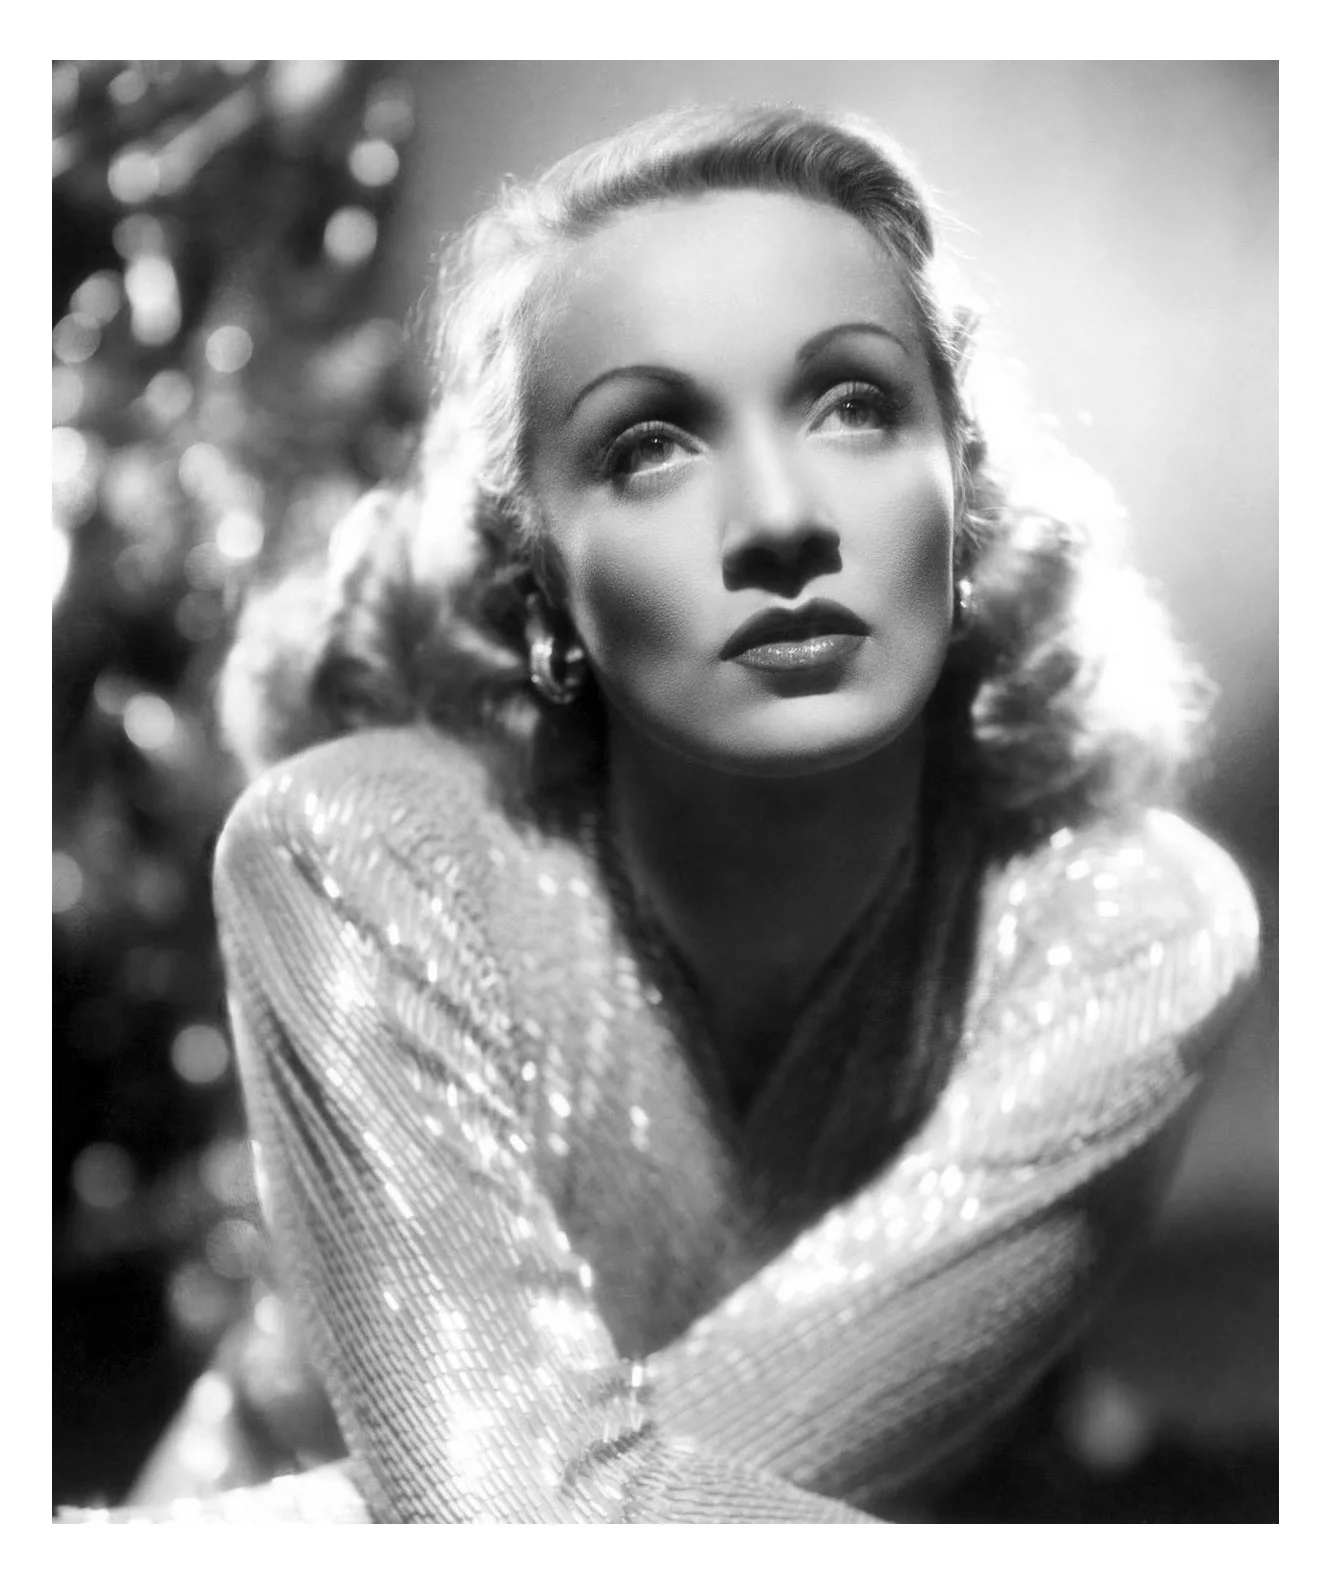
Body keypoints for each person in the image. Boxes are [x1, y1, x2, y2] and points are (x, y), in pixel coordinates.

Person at [63, 103, 1260, 1524]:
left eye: (854, 404)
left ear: (963, 488)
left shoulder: (1130, 924)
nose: (778, 518)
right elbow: (516, 1532)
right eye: (648, 445)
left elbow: (539, 1524)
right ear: (546, 591)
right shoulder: (357, 854)